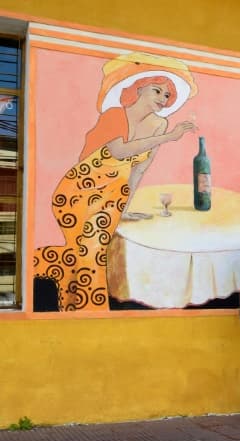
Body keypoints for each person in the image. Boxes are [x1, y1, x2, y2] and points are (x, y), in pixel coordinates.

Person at [33, 52, 197, 311]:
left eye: (167, 95)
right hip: (81, 189)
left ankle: (55, 274)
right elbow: (119, 152)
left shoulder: (159, 125)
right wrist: (168, 138)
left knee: (89, 251)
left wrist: (123, 209)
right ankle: (88, 313)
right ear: (138, 88)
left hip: (113, 196)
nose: (163, 99)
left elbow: (138, 171)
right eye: (157, 90)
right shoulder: (114, 115)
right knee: (92, 250)